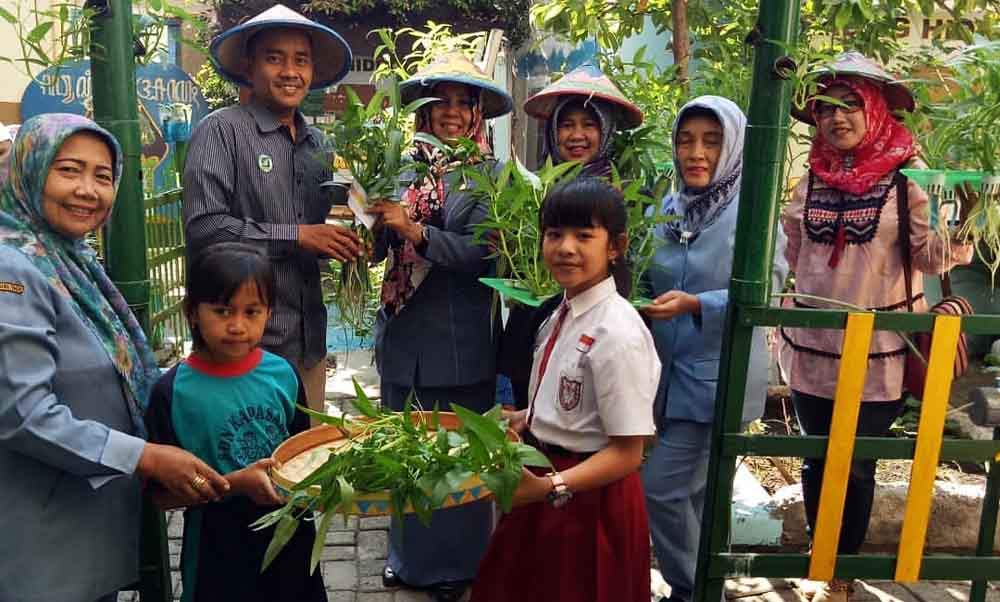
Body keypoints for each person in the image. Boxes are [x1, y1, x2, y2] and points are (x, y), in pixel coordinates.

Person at [0, 113, 229, 602]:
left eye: (102, 176)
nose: (88, 189)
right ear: (30, 169)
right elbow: (22, 414)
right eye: (68, 170)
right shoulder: (12, 270)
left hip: (79, 522)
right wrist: (143, 456)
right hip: (39, 539)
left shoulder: (67, 258)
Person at [779, 52, 973, 602]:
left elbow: (934, 256)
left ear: (875, 111)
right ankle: (820, 564)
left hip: (882, 348)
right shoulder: (808, 183)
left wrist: (970, 212)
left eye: (849, 107)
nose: (837, 119)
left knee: (858, 465)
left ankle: (843, 571)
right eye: (826, 109)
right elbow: (793, 255)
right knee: (816, 457)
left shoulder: (908, 181)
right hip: (813, 346)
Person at [470, 177, 660, 602]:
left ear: (615, 246)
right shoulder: (561, 312)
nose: (565, 248)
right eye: (554, 234)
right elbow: (570, 403)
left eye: (583, 235)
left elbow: (629, 452)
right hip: (546, 482)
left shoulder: (618, 331)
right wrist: (522, 419)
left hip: (588, 501)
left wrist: (551, 486)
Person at [368, 53, 513, 602]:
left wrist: (418, 232)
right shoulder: (401, 169)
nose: (451, 113)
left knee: (459, 456)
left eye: (463, 103)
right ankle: (406, 559)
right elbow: (384, 245)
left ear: (477, 113)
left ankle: (461, 565)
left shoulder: (492, 177)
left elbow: (483, 255)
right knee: (404, 450)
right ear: (424, 112)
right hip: (404, 335)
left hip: (461, 342)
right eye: (440, 102)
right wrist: (369, 225)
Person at [638, 95, 788, 602]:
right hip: (667, 377)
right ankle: (705, 586)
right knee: (696, 495)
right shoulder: (668, 205)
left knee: (658, 488)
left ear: (734, 145)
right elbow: (648, 271)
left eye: (711, 140)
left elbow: (767, 285)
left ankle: (693, 590)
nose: (695, 152)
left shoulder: (753, 208)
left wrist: (696, 304)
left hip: (718, 377)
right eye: (685, 140)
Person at [184, 5, 361, 414]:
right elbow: (206, 228)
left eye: (301, 60)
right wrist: (298, 235)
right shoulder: (222, 129)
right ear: (249, 67)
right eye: (274, 57)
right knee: (246, 464)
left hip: (309, 344)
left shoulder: (320, 145)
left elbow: (331, 226)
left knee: (305, 464)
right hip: (242, 345)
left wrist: (360, 233)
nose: (290, 71)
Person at [145, 242, 324, 602]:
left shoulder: (283, 375)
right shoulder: (172, 393)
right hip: (218, 549)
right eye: (223, 311)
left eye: (252, 311)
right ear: (192, 312)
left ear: (269, 312)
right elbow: (160, 498)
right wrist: (232, 484)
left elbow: (301, 456)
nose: (238, 326)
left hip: (292, 536)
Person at [499, 62, 645, 409]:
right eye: (566, 125)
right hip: (530, 332)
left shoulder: (627, 194)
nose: (576, 135)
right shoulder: (532, 189)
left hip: (596, 338)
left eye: (589, 124)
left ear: (606, 130)